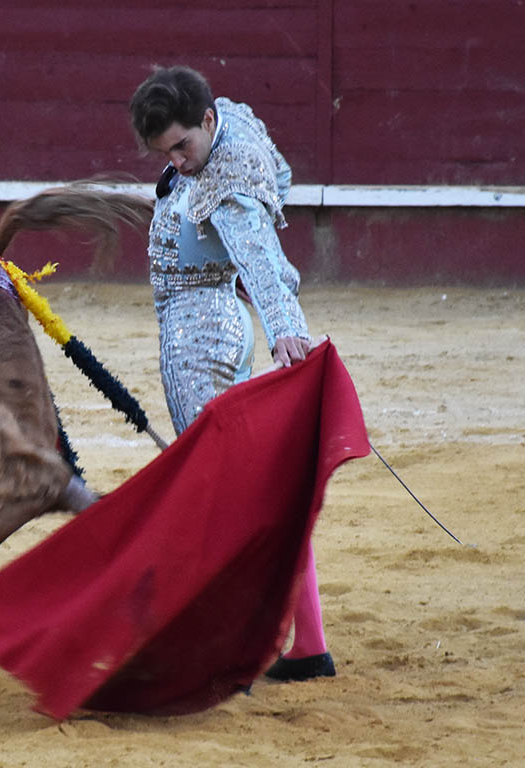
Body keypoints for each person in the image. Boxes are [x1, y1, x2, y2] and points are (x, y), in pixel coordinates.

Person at [129, 65, 334, 682]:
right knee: (256, 488)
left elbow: (261, 254)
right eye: (165, 153)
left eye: (183, 146)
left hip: (198, 333)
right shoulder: (233, 126)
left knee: (218, 494)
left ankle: (232, 650)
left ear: (207, 121)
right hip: (225, 318)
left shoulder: (228, 180)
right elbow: (280, 179)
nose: (179, 163)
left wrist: (288, 331)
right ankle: (308, 645)